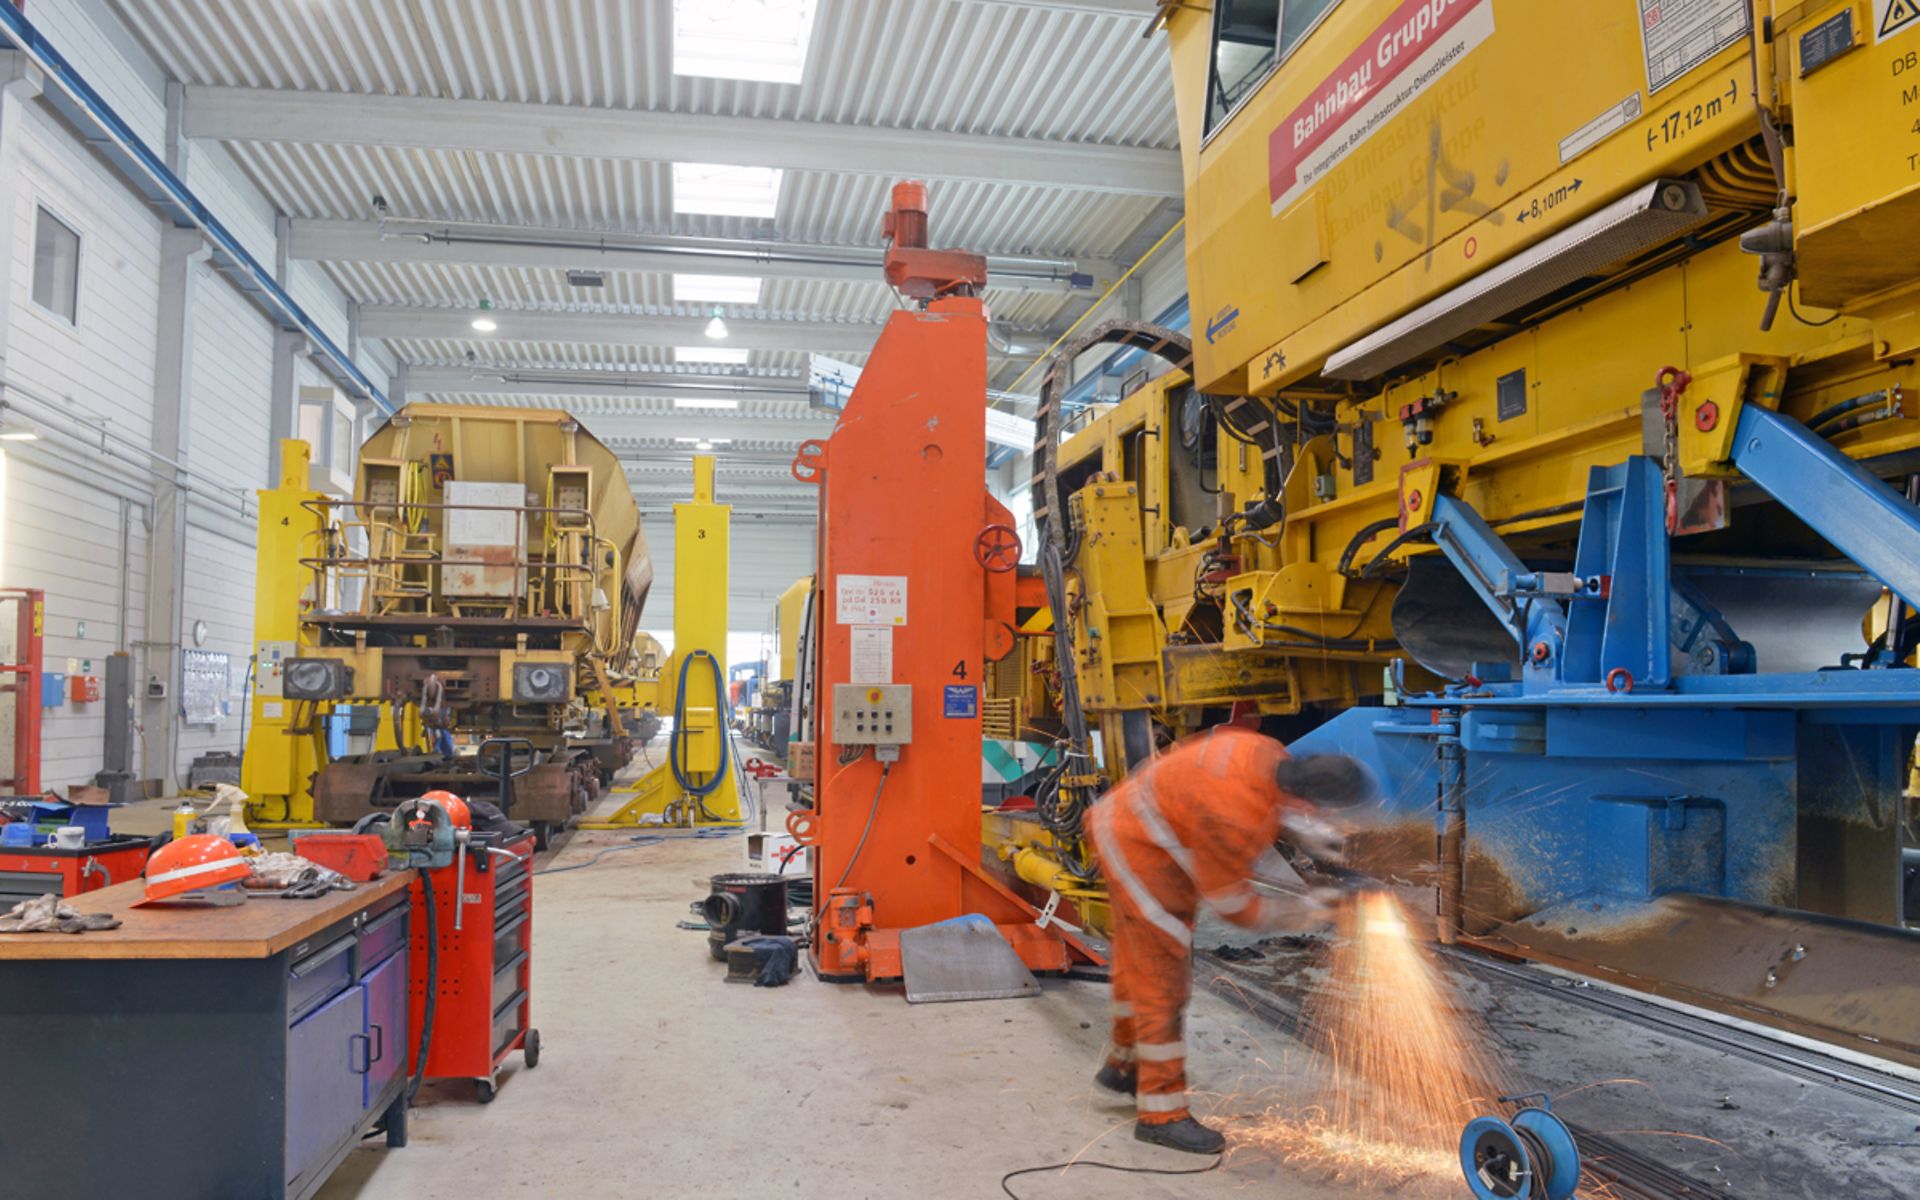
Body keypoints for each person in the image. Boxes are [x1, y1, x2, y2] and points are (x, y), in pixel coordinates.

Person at [1085, 724, 1374, 1154]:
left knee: (1138, 959)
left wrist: (1315, 842)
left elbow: (1269, 803)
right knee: (1163, 975)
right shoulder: (1231, 817)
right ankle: (1161, 1115)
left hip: (1139, 821)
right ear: (1309, 798)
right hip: (1137, 845)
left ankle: (1124, 1067)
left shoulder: (1267, 751)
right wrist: (1314, 908)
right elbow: (1237, 908)